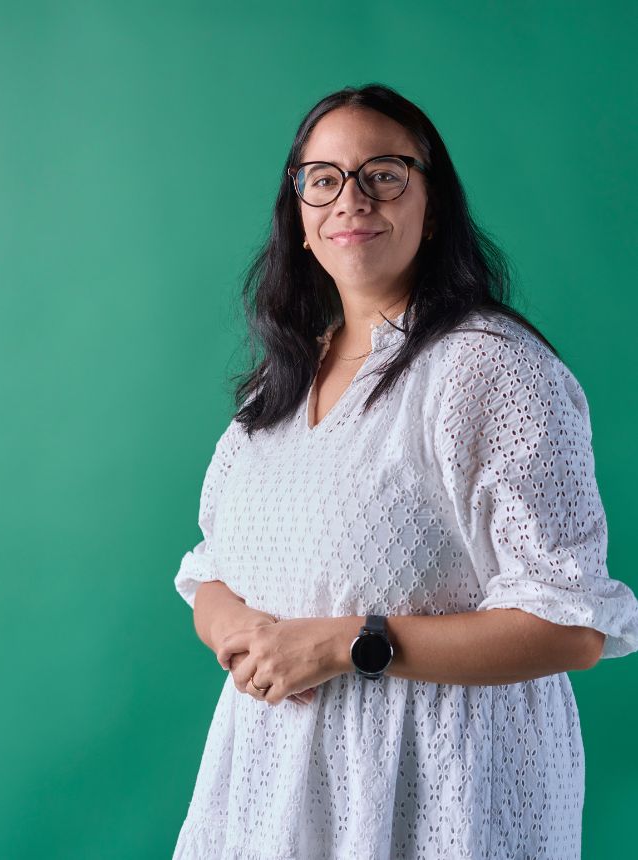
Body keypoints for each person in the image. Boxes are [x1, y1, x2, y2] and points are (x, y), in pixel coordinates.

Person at [171, 83, 638, 859]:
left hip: (444, 800)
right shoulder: (280, 381)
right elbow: (210, 573)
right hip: (268, 799)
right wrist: (246, 637)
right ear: (299, 218)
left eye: (383, 175)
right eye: (323, 179)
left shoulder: (490, 371)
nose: (350, 200)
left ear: (434, 207)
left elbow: (572, 624)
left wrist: (345, 645)